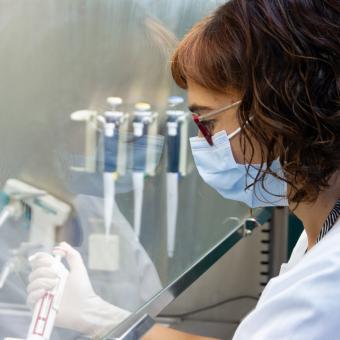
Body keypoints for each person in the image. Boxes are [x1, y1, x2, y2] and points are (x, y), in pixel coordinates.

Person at [28, 0, 340, 339]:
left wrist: (93, 315)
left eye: (208, 121)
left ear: (279, 110)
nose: (204, 142)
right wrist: (102, 317)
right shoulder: (320, 230)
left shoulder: (324, 284)